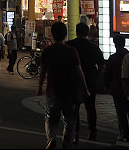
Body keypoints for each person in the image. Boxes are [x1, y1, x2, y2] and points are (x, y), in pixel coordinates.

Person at [37, 21, 89, 150]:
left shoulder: (47, 51)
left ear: (52, 35)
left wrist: (39, 88)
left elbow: (42, 71)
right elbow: (79, 71)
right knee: (69, 121)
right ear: (65, 35)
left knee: (50, 118)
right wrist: (85, 89)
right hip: (69, 92)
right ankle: (66, 144)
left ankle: (51, 138)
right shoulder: (71, 51)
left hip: (52, 91)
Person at [67, 21, 106, 141]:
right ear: (88, 33)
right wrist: (96, 76)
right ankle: (92, 131)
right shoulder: (94, 47)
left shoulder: (70, 45)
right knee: (91, 107)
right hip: (90, 79)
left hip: (74, 80)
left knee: (75, 107)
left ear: (76, 32)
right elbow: (102, 65)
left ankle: (75, 133)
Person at [105, 34, 129, 142]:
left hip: (117, 89)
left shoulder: (113, 58)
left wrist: (107, 86)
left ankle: (124, 134)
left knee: (121, 113)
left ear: (115, 44)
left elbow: (108, 75)